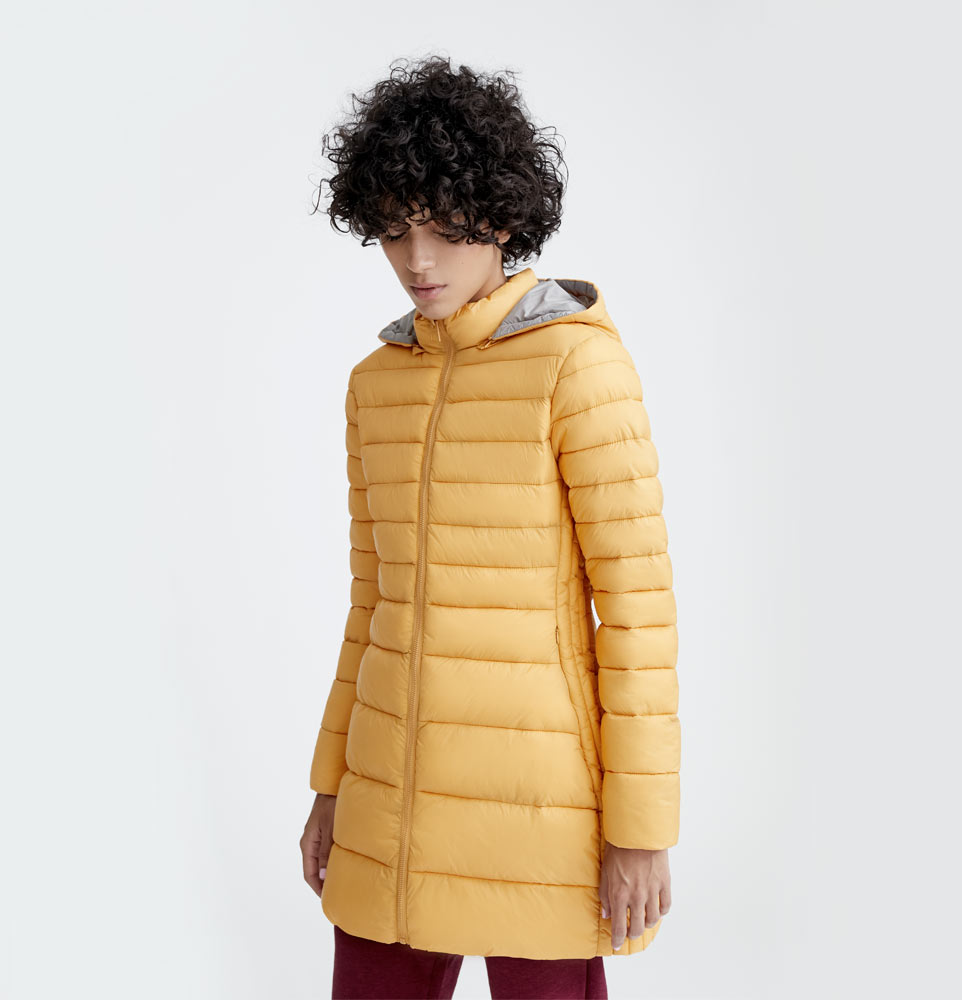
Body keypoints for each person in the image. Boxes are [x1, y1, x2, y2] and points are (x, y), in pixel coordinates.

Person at [299, 54, 681, 1000]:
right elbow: (371, 606)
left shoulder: (578, 369)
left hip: (539, 812)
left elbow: (637, 613)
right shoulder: (373, 386)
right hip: (387, 811)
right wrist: (332, 783)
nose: (417, 260)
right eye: (394, 230)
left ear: (501, 218)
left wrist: (641, 829)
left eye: (442, 227)